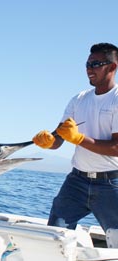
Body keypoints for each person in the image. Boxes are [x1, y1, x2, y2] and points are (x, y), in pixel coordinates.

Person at [32, 43, 118, 247]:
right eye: (87, 64)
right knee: (54, 237)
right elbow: (59, 138)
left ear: (112, 67)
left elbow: (116, 147)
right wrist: (48, 141)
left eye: (96, 64)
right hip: (76, 182)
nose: (89, 68)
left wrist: (79, 139)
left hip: (111, 184)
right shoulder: (78, 100)